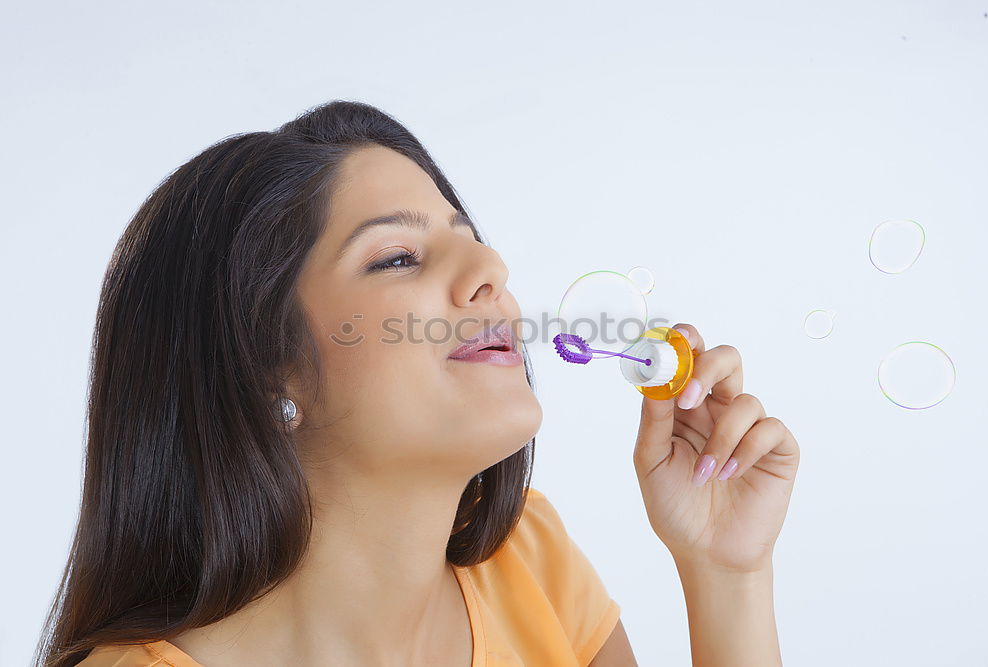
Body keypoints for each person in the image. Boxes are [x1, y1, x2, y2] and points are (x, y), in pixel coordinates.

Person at [35, 100, 799, 667]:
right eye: (397, 256)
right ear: (268, 368)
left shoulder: (528, 559)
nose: (490, 272)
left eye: (470, 239)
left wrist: (726, 572)